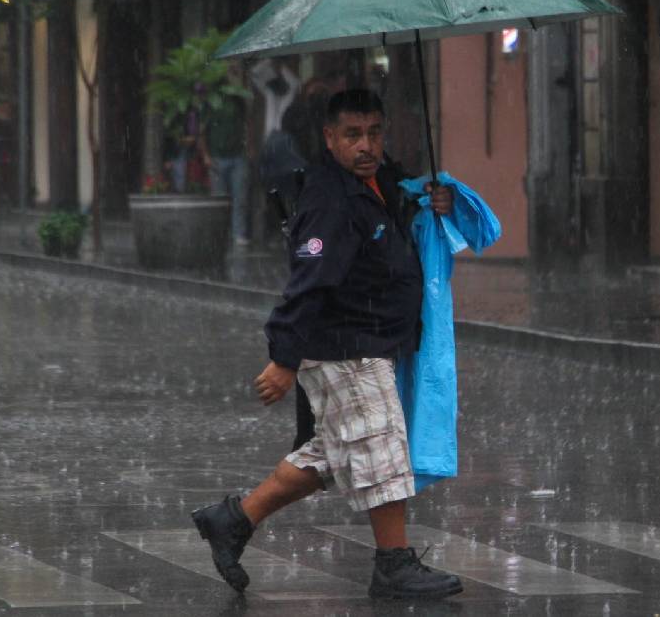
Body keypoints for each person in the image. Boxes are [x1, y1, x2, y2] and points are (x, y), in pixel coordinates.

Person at [191, 89, 463, 601]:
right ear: (330, 138)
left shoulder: (380, 182)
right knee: (382, 448)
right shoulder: (329, 199)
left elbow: (402, 213)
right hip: (344, 344)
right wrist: (283, 357)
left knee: (335, 453)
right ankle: (393, 565)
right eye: (353, 135)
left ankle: (232, 521)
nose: (367, 145)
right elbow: (308, 282)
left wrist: (431, 198)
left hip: (370, 340)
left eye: (375, 133)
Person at [203, 88, 251, 245]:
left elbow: (246, 125)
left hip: (238, 156)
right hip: (217, 157)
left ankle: (238, 233)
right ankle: (221, 234)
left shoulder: (239, 102)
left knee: (239, 197)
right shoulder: (210, 103)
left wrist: (248, 148)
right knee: (220, 199)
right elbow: (202, 131)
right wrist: (206, 156)